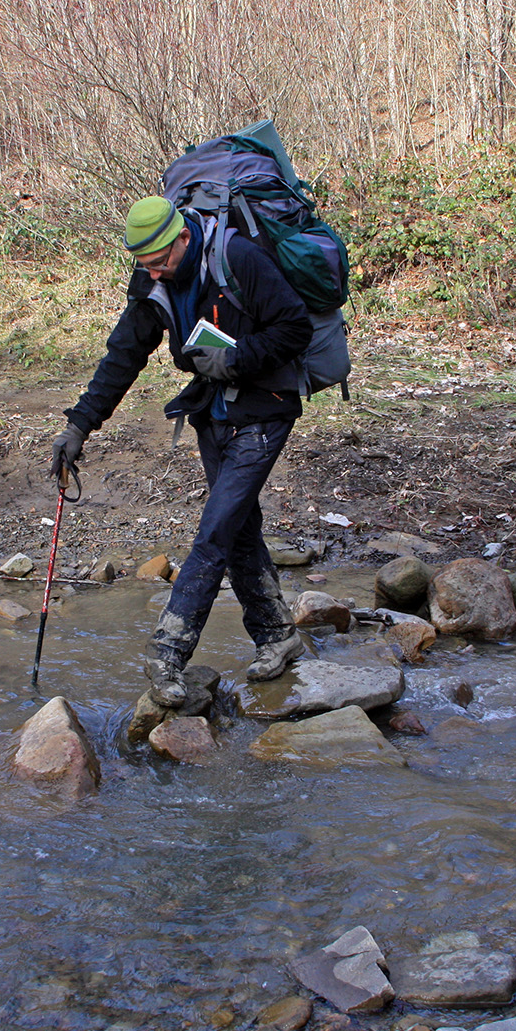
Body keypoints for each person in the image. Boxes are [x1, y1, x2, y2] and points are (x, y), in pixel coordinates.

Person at [49, 195, 313, 713]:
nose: (153, 274)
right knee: (237, 530)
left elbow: (294, 328)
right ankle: (278, 635)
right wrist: (79, 425)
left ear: (184, 238)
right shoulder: (153, 277)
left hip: (265, 411)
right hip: (212, 413)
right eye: (144, 265)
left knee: (214, 534)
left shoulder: (238, 258)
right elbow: (125, 352)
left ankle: (168, 653)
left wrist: (235, 358)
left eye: (160, 262)